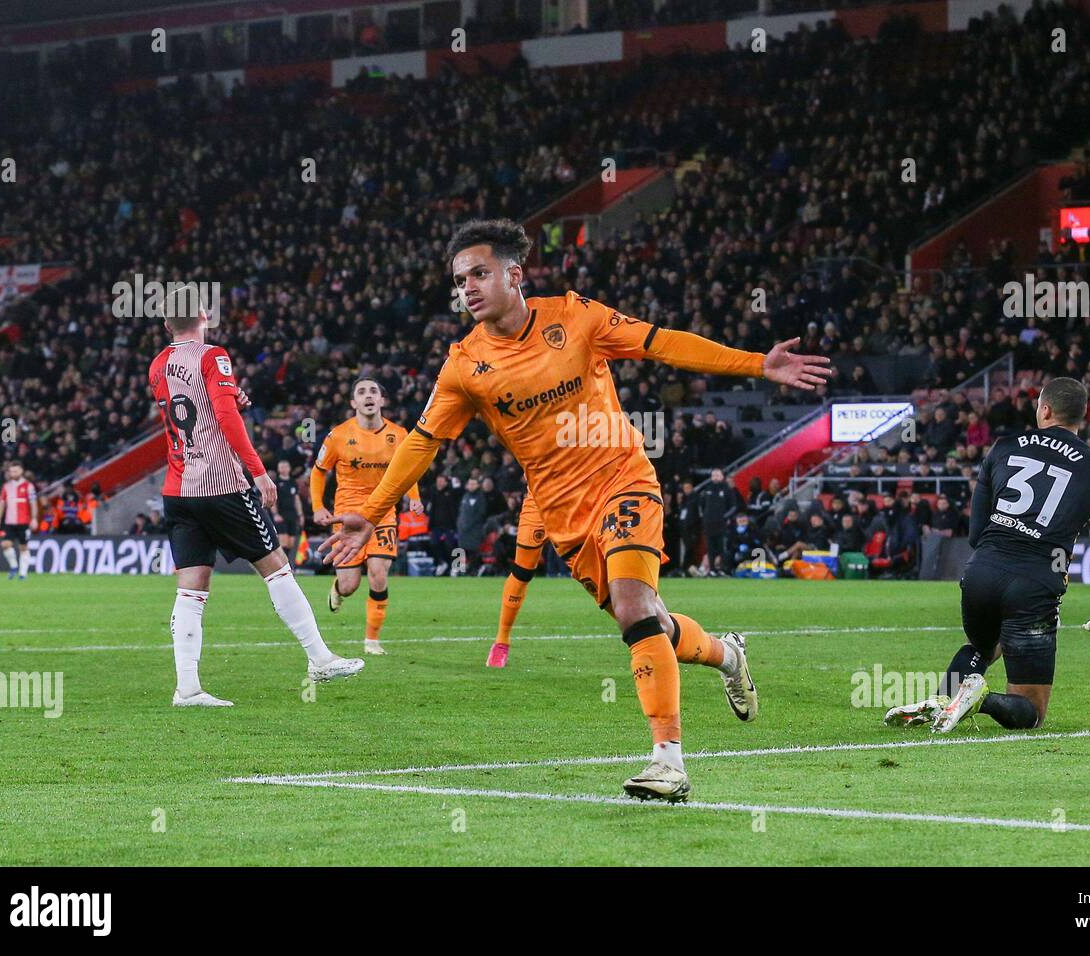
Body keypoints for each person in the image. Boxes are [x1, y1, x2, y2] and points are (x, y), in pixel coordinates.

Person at [324, 218, 831, 800]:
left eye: (479, 273)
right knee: (648, 623)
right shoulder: (464, 365)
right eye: (460, 279)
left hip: (622, 479)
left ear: (515, 274)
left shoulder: (576, 316)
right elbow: (422, 441)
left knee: (636, 608)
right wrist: (374, 508)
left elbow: (660, 341)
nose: (467, 287)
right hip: (563, 514)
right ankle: (727, 654)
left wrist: (756, 364)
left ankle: (669, 761)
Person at [150, 289, 363, 707]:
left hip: (178, 490)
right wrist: (259, 472)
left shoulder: (158, 365)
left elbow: (188, 408)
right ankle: (319, 658)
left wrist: (230, 399)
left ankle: (188, 688)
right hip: (220, 484)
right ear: (203, 315)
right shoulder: (213, 356)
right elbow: (224, 416)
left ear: (165, 325)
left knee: (192, 587)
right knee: (276, 567)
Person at [884, 377, 1090, 733]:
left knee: (984, 644)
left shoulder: (1003, 447)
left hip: (981, 572)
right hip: (1034, 585)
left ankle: (942, 698)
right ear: (1082, 417)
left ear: (1044, 409)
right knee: (1031, 710)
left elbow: (976, 533)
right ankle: (982, 698)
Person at [310, 378, 422, 655]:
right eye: (361, 392)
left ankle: (372, 640)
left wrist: (415, 497)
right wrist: (317, 506)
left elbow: (410, 469)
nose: (368, 396)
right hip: (348, 516)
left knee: (378, 575)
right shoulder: (338, 435)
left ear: (382, 400)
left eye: (374, 391)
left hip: (383, 512)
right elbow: (318, 470)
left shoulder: (399, 434)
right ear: (353, 403)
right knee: (350, 585)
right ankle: (338, 588)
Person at [486, 493, 545, 668]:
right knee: (522, 572)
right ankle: (501, 641)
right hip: (539, 499)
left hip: (582, 494)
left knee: (590, 571)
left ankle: (632, 642)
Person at [0, 461, 37, 580]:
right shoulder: (6, 486)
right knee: (5, 544)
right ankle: (14, 567)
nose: (13, 473)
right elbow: (1, 503)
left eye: (15, 471)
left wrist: (34, 519)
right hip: (9, 522)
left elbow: (33, 503)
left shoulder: (29, 486)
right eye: (11, 471)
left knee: (23, 547)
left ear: (21, 471)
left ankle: (23, 574)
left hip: (24, 522)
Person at [272, 460, 304, 564]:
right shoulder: (276, 483)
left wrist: (300, 514)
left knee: (291, 543)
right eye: (282, 467)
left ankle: (285, 564)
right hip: (281, 515)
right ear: (278, 469)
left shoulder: (292, 482)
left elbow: (296, 499)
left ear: (289, 468)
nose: (284, 469)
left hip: (292, 515)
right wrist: (275, 514)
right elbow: (273, 500)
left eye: (286, 466)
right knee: (283, 542)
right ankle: (283, 565)